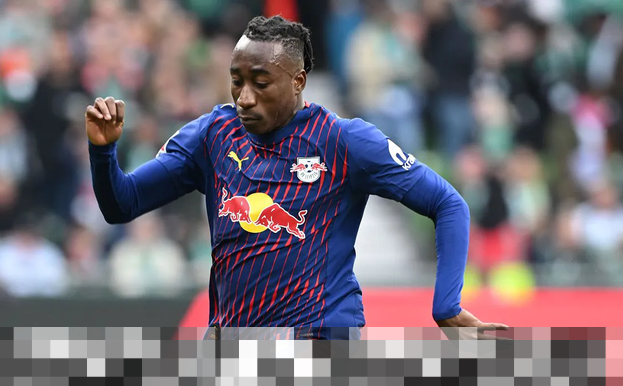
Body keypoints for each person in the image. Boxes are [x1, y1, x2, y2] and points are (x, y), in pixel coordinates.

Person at [86, 15, 507, 341]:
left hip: (318, 337)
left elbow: (447, 203)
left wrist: (446, 305)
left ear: (298, 81)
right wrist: (103, 151)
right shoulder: (211, 135)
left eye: (260, 82)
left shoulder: (344, 141)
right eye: (237, 82)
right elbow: (122, 204)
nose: (244, 97)